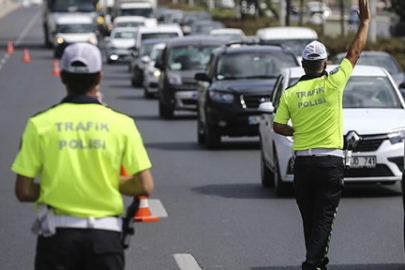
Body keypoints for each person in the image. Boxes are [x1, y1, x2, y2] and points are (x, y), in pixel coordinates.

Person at [12, 43, 154, 270]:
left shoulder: (39, 125)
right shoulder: (122, 124)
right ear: (99, 77)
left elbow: (24, 190)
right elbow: (144, 186)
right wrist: (104, 183)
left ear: (63, 77)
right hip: (105, 240)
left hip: (57, 239)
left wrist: (59, 186)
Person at [272, 1, 370, 269]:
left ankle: (317, 262)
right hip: (330, 163)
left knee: (311, 218)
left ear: (303, 65)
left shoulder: (290, 93)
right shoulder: (334, 83)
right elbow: (355, 53)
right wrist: (364, 23)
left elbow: (277, 126)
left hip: (303, 163)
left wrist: (297, 130)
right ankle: (311, 264)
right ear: (325, 63)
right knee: (324, 218)